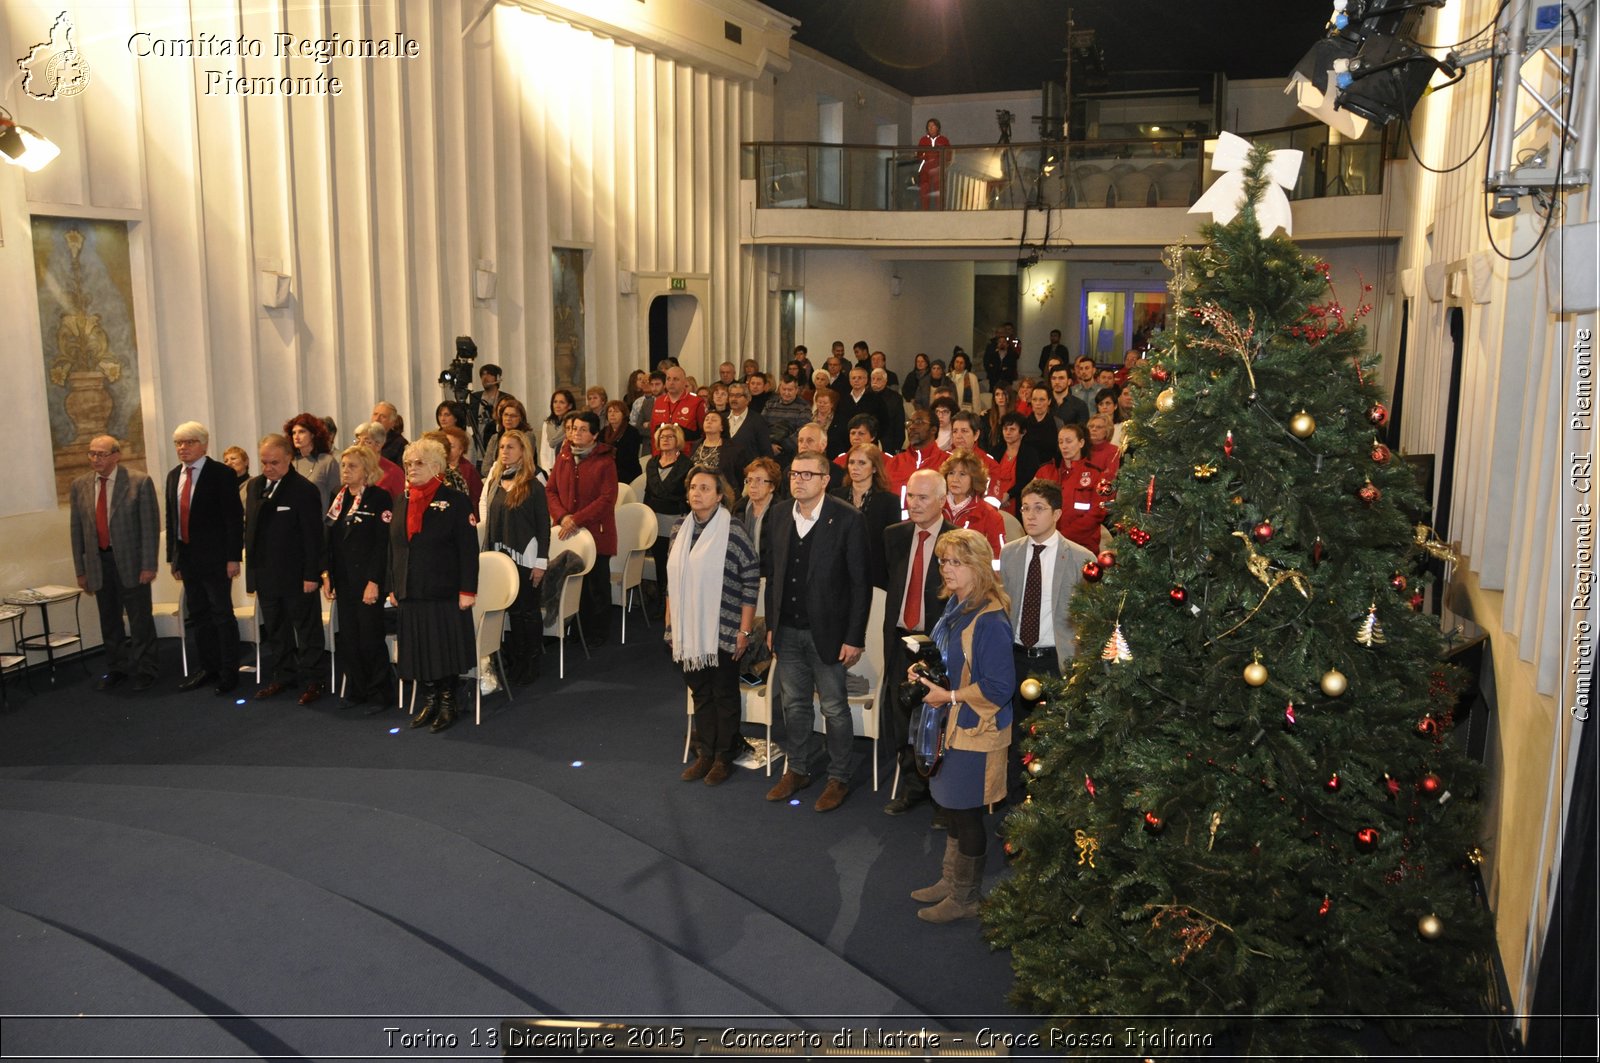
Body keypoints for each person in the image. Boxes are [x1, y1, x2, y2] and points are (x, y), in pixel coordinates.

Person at [905, 528, 1014, 923]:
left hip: (975, 729)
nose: (946, 570)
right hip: (951, 724)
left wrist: (948, 697)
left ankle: (966, 897)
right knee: (951, 807)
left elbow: (1000, 686)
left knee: (966, 813)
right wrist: (927, 671)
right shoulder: (957, 606)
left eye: (956, 562)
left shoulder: (989, 618)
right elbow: (953, 663)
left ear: (978, 566)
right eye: (942, 562)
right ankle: (951, 881)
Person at [762, 451, 871, 812]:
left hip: (829, 632)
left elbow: (860, 584)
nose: (799, 480)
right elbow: (774, 575)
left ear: (825, 480)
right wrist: (772, 625)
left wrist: (854, 636)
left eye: (808, 475)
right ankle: (798, 768)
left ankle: (839, 776)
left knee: (835, 708)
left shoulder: (847, 519)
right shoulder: (778, 514)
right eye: (795, 474)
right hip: (788, 629)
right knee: (793, 705)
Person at [998, 477, 1095, 803]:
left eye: (1039, 508)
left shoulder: (1082, 558)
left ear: (1057, 513)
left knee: (1053, 735)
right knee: (1014, 734)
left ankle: (1049, 805)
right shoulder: (1010, 553)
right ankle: (1015, 805)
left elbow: (1088, 616)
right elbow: (1004, 604)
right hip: (1015, 655)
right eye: (1025, 508)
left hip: (1056, 658)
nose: (1030, 515)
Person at [671, 468, 761, 787]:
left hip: (724, 629)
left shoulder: (732, 530)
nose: (697, 493)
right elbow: (673, 583)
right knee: (701, 693)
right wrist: (671, 627)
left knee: (724, 693)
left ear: (720, 495)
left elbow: (751, 580)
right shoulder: (679, 529)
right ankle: (705, 754)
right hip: (688, 632)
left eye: (705, 488)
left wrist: (745, 630)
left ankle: (724, 756)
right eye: (693, 487)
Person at [389, 438, 479, 733]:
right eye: (408, 464)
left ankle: (448, 702)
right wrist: (395, 584)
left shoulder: (455, 500)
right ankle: (429, 701)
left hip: (443, 590)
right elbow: (395, 548)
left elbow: (468, 550)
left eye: (418, 463)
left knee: (442, 649)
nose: (411, 469)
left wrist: (468, 590)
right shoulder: (401, 501)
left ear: (437, 467)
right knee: (418, 649)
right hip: (411, 589)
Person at [880, 467, 953, 817]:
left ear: (942, 500)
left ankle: (942, 796)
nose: (915, 503)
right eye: (911, 496)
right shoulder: (893, 536)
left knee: (940, 718)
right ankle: (912, 787)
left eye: (923, 497)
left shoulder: (957, 540)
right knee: (901, 714)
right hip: (899, 639)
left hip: (937, 643)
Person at [71, 434, 161, 691]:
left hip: (131, 562)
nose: (95, 459)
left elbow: (149, 528)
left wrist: (148, 565)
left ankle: (147, 668)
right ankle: (117, 667)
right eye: (91, 453)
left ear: (116, 455)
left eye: (101, 454)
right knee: (109, 619)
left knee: (139, 619)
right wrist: (81, 569)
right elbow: (76, 530)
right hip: (99, 563)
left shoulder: (138, 482)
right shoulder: (81, 485)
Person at [244, 434, 326, 704]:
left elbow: (314, 537)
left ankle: (314, 680)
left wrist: (311, 574)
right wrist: (252, 575)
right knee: (276, 629)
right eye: (264, 462)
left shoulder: (303, 490)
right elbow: (252, 534)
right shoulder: (255, 487)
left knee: (306, 630)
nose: (268, 468)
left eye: (274, 463)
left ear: (289, 459)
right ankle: (284, 675)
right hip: (267, 574)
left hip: (297, 575)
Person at [166, 421, 244, 695]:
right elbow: (172, 519)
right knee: (198, 615)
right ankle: (208, 667)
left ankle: (228, 671)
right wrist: (173, 559)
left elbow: (233, 519)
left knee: (221, 614)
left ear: (203, 444)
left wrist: (233, 558)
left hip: (216, 558)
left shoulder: (221, 473)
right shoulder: (175, 475)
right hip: (188, 558)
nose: (182, 448)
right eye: (178, 443)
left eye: (188, 442)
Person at [322, 444, 393, 712]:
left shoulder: (379, 498)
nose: (345, 471)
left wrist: (374, 581)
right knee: (349, 637)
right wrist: (326, 574)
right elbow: (329, 540)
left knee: (370, 637)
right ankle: (356, 690)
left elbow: (381, 544)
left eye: (352, 466)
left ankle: (379, 693)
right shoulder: (337, 497)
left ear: (367, 471)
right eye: (343, 465)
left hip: (367, 581)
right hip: (343, 579)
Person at [481, 428, 549, 686]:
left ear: (523, 452)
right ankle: (515, 661)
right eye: (502, 447)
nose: (504, 452)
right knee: (510, 614)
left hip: (527, 560)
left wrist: (540, 563)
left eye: (510, 447)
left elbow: (544, 527)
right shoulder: (496, 482)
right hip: (502, 560)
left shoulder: (533, 484)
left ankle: (531, 663)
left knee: (526, 613)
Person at [548, 410, 619, 645]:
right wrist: (562, 516)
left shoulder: (605, 460)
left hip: (596, 532)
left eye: (582, 429)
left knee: (595, 585)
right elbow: (551, 491)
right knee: (572, 582)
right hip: (568, 531)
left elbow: (607, 498)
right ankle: (573, 628)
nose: (576, 433)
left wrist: (575, 519)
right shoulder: (564, 456)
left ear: (595, 434)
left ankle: (597, 633)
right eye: (573, 428)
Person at [833, 442, 899, 590]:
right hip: (839, 574)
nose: (855, 467)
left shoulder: (889, 501)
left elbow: (891, 547)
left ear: (874, 467)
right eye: (851, 462)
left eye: (862, 463)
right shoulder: (835, 497)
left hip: (875, 576)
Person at [1036, 423, 1109, 553]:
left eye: (1069, 441)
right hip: (1048, 545)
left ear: (1081, 443)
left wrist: (1062, 536)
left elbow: (1097, 513)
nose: (1064, 446)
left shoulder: (1096, 474)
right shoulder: (1046, 471)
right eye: (1060, 442)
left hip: (1082, 546)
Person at [941, 450, 1006, 558]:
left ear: (974, 479)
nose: (955, 479)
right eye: (951, 473)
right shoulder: (935, 508)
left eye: (962, 474)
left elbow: (998, 559)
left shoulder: (990, 515)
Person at [285, 412, 340, 515]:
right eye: (293, 433)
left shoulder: (327, 462)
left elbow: (337, 499)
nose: (296, 436)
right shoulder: (289, 463)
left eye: (301, 432)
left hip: (320, 524)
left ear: (313, 434)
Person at [885, 407, 948, 495]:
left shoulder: (947, 462)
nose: (911, 427)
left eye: (919, 422)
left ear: (933, 430)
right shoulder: (895, 462)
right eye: (909, 423)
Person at [735, 457, 781, 562]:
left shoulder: (781, 512)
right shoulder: (738, 508)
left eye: (759, 480)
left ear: (772, 487)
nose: (752, 485)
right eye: (749, 480)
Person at [650, 365, 705, 453]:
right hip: (662, 457)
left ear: (684, 383)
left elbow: (703, 433)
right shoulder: (658, 402)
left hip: (687, 457)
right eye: (668, 379)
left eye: (675, 379)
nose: (671, 382)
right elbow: (653, 433)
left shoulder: (696, 402)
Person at [354, 421, 406, 500]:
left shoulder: (393, 473)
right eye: (357, 441)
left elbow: (402, 503)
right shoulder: (355, 469)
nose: (360, 446)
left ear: (379, 445)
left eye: (366, 442)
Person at [480, 398, 530, 476]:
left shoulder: (527, 436)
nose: (508, 418)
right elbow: (485, 469)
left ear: (521, 418)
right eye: (505, 414)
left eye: (513, 416)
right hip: (495, 478)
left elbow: (524, 462)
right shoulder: (495, 438)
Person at [602, 399, 643, 484]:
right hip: (606, 470)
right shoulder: (603, 432)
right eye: (610, 411)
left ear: (623, 415)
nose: (612, 414)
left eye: (616, 411)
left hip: (627, 472)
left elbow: (630, 458)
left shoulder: (632, 432)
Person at [916, 117, 950, 210]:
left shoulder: (944, 140)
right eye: (929, 126)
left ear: (937, 127)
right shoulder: (923, 140)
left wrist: (939, 164)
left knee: (939, 193)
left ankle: (939, 212)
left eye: (933, 126)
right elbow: (919, 155)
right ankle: (925, 212)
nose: (930, 128)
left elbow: (948, 156)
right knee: (924, 192)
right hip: (925, 170)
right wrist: (926, 159)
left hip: (938, 171)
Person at [869, 368, 905, 453]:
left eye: (878, 379)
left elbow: (899, 422)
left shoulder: (895, 397)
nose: (875, 381)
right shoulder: (865, 395)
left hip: (888, 439)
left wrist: (898, 444)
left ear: (885, 381)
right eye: (873, 379)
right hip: (868, 439)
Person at [540, 389, 576, 472]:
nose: (557, 405)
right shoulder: (547, 423)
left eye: (562, 402)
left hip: (567, 468)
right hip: (549, 469)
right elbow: (543, 452)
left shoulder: (573, 423)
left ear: (570, 406)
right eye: (555, 402)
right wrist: (547, 471)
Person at [981, 323, 1020, 389]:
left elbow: (1012, 366)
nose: (1000, 334)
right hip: (993, 380)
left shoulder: (1011, 351)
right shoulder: (991, 349)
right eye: (998, 332)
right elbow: (987, 364)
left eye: (1002, 332)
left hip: (1007, 381)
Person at [371, 401, 409, 466]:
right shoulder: (364, 439)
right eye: (375, 414)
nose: (377, 419)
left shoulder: (401, 444)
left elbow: (401, 472)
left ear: (392, 423)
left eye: (383, 416)